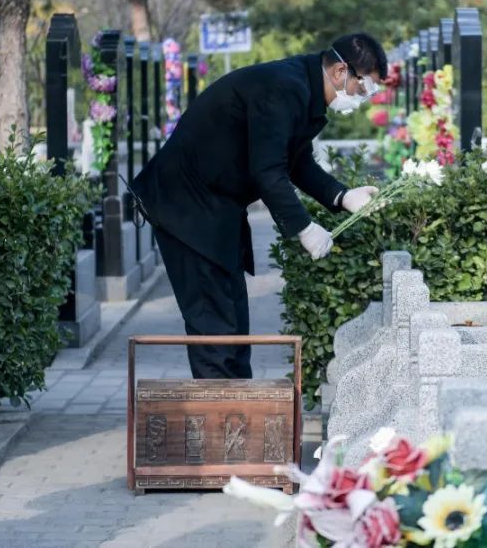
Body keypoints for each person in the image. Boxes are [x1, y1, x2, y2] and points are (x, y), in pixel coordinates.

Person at [130, 33, 386, 379]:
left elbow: (296, 161)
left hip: (215, 208)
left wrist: (342, 196)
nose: (364, 99)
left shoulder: (303, 87)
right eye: (365, 88)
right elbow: (268, 171)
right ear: (341, 71)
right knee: (214, 331)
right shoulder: (284, 88)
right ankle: (219, 425)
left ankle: (237, 417)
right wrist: (303, 228)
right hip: (186, 206)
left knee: (233, 327)